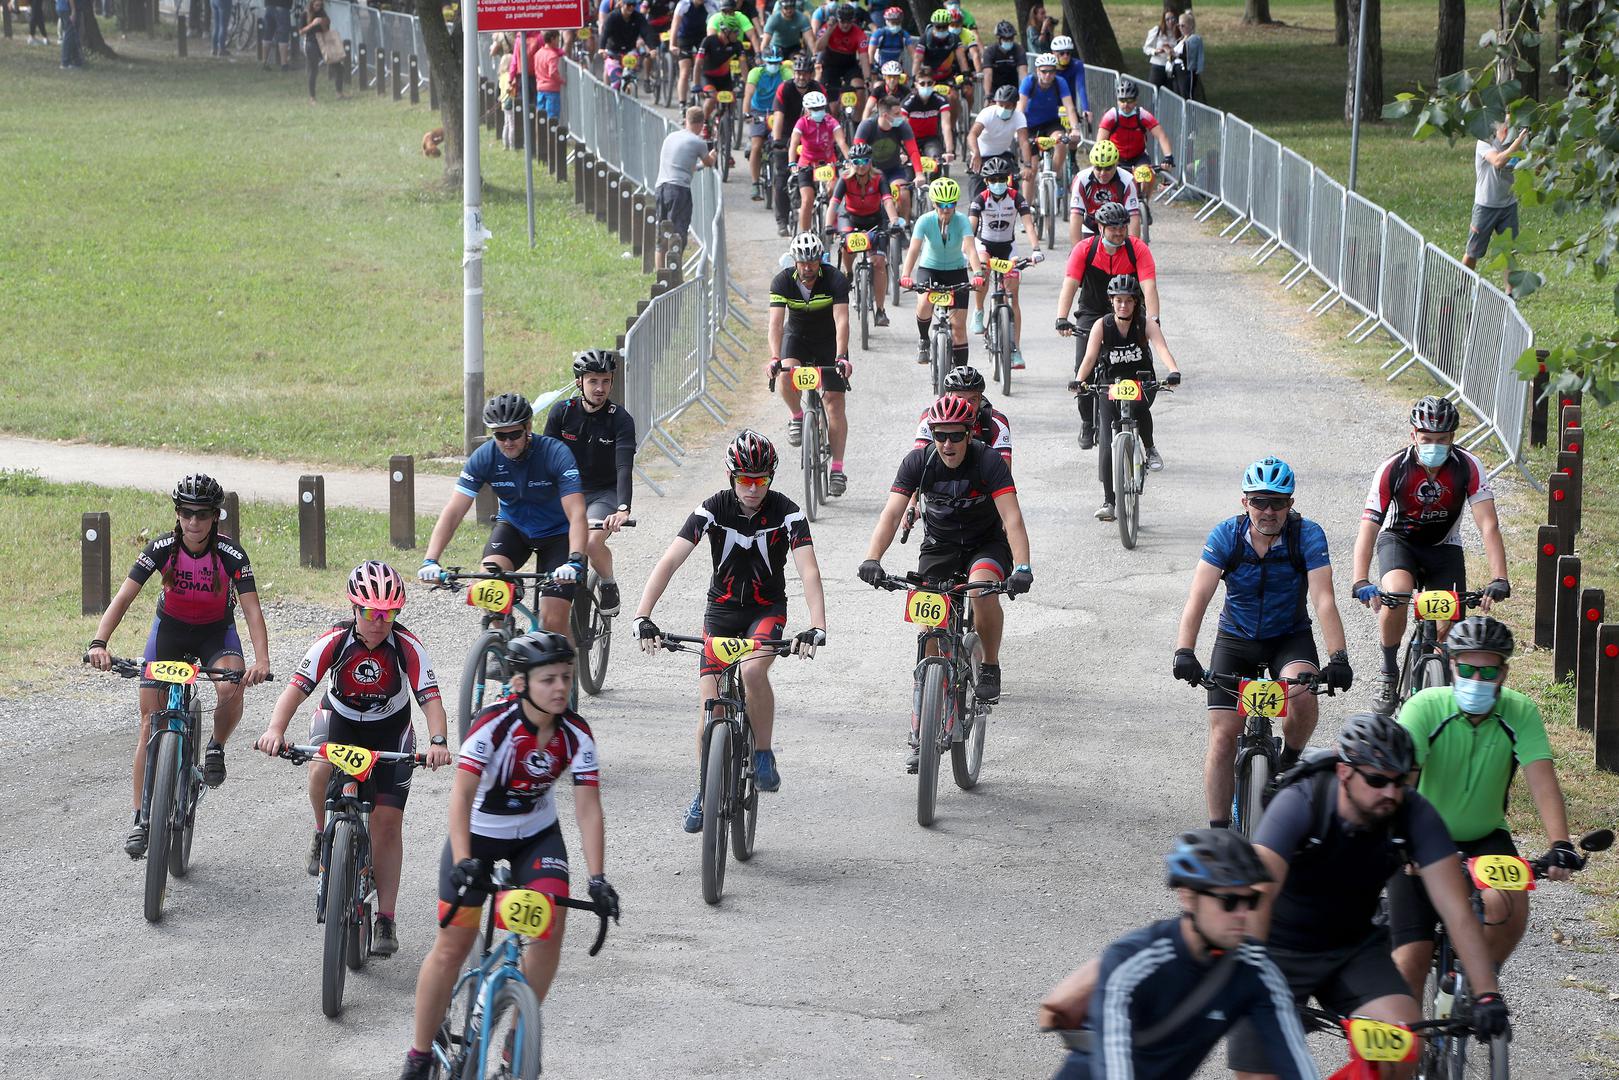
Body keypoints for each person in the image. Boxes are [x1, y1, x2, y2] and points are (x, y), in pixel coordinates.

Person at [1229, 714, 1509, 1080]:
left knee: (1404, 1047)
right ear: (1345, 772)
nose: (1391, 792)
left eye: (1400, 780)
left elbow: (1456, 910)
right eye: (1377, 779)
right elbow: (1258, 895)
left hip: (1353, 947)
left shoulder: (1411, 812)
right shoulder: (1301, 802)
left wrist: (1487, 994)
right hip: (1278, 949)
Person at [397, 632, 617, 1080]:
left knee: (550, 925)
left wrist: (598, 878)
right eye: (549, 679)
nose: (561, 688)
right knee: (454, 944)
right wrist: (463, 860)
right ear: (520, 684)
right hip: (477, 836)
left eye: (567, 678)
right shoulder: (493, 725)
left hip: (536, 837)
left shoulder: (575, 732)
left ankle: (517, 1046)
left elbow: (588, 806)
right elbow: (459, 800)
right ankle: (419, 1055)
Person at [254, 562, 454, 958]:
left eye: (389, 614)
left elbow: (431, 699)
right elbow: (297, 688)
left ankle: (387, 918)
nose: (379, 622)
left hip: (390, 730)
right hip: (340, 721)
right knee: (318, 767)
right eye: (370, 612)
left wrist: (438, 741)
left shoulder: (408, 646)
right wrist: (275, 730)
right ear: (353, 608)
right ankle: (320, 831)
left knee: (387, 823)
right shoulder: (334, 639)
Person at [633, 431, 828, 829]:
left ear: (771, 477)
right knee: (710, 713)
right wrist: (643, 615)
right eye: (744, 480)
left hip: (766, 611)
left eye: (761, 480)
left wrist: (816, 625)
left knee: (754, 670)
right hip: (720, 613)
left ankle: (762, 753)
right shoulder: (711, 510)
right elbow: (669, 561)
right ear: (730, 476)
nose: (753, 489)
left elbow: (809, 571)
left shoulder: (787, 514)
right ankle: (705, 790)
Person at [1389, 615, 1581, 999]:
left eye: (1488, 671)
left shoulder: (1520, 711)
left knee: (1508, 908)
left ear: (1503, 673)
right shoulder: (1423, 708)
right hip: (1421, 839)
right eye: (1466, 669)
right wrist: (1400, 839)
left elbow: (1542, 780)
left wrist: (1560, 842)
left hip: (1485, 837)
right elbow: (1402, 785)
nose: (1476, 680)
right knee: (1409, 964)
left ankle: (1472, 981)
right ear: (1451, 667)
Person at [86, 475, 272, 857]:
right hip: (169, 633)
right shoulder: (162, 549)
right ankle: (140, 819)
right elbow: (124, 597)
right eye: (187, 513)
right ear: (178, 514)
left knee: (229, 686)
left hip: (215, 634)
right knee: (147, 723)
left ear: (215, 517)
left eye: (202, 514)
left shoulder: (231, 554)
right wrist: (99, 643)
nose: (194, 522)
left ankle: (216, 747)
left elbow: (252, 612)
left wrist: (262, 661)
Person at [1038, 830, 1315, 1080]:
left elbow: (1294, 1060)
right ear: (1188, 897)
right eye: (1229, 901)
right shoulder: (1132, 963)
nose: (1243, 914)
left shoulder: (1257, 970)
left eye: (1251, 900)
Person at [1172, 457, 1353, 828]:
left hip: (1289, 636)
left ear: (1290, 503)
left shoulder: (1308, 535)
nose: (1268, 511)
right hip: (1235, 639)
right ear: (1245, 503)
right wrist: (1184, 651)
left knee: (1303, 696)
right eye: (1259, 502)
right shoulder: (1226, 535)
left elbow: (1323, 599)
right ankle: (1219, 833)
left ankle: (1289, 762)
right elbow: (1198, 597)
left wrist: (1338, 657)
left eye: (1277, 502)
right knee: (1224, 737)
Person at [859, 393, 1032, 721]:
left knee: (981, 589)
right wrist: (873, 558)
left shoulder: (988, 462)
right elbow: (892, 514)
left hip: (986, 545)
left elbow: (1012, 519)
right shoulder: (919, 463)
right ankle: (922, 727)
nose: (948, 443)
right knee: (929, 630)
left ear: (970, 434)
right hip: (940, 547)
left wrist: (1022, 567)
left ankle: (990, 665)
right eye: (940, 435)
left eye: (956, 435)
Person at [1350, 395, 1510, 714]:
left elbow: (1488, 524)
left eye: (1441, 440)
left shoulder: (1468, 466)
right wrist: (1360, 580)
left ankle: (1436, 669)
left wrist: (1499, 577)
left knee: (1451, 619)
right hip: (1400, 542)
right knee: (1396, 594)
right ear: (1414, 436)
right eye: (1426, 439)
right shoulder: (1393, 468)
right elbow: (1368, 527)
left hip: (1443, 547)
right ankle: (1388, 672)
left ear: (1452, 439)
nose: (1433, 445)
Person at [418, 393, 588, 640]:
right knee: (487, 584)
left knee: (552, 621)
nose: (507, 442)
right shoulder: (485, 457)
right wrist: (430, 560)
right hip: (514, 528)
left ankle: (565, 674)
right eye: (500, 435)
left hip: (558, 534)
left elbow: (577, 513)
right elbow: (454, 511)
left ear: (528, 428)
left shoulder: (555, 453)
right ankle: (498, 642)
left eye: (514, 434)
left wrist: (574, 560)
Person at [1065, 274, 1182, 518]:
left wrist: (1173, 371)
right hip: (1109, 386)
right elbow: (1088, 358)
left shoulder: (1145, 323)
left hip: (1141, 382)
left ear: (1136, 302)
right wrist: (1080, 380)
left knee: (1140, 408)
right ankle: (1110, 502)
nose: (1123, 305)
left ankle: (1149, 448)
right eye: (1118, 300)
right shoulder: (1102, 325)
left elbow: (1162, 348)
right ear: (1111, 301)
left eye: (1129, 301)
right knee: (1107, 444)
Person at [1054, 201, 1161, 448]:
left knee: (1140, 363)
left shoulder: (1137, 249)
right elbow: (1069, 285)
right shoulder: (1084, 249)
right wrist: (1062, 318)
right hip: (1092, 312)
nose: (1119, 232)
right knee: (1084, 367)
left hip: (1129, 310)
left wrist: (1153, 318)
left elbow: (1149, 286)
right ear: (1100, 227)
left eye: (1123, 227)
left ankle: (1137, 413)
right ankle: (1086, 421)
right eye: (1113, 228)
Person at [542, 350, 637, 616]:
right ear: (579, 383)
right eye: (593, 381)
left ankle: (607, 583)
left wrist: (622, 508)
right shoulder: (561, 413)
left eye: (606, 381)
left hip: (603, 493)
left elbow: (623, 466)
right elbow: (543, 460)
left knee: (592, 542)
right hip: (568, 493)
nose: (600, 388)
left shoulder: (620, 419)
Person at [769, 232, 854, 491]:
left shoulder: (835, 279)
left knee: (834, 403)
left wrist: (841, 356)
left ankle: (837, 470)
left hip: (829, 342)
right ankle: (797, 416)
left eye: (813, 262)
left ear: (820, 260)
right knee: (785, 373)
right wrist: (774, 357)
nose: (808, 267)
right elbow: (775, 324)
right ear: (794, 261)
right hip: (797, 338)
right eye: (803, 262)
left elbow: (842, 320)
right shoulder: (782, 282)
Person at [898, 177, 986, 368]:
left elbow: (970, 249)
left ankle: (962, 375)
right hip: (930, 269)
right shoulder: (924, 220)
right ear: (934, 203)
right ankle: (923, 340)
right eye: (941, 204)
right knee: (924, 301)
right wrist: (906, 275)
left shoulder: (962, 220)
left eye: (951, 204)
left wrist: (978, 273)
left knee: (959, 329)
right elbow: (913, 250)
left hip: (956, 271)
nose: (946, 209)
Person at [968, 154, 1041, 369]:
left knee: (1013, 296)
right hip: (985, 246)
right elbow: (970, 228)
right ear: (986, 181)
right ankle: (979, 310)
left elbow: (1028, 225)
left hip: (1008, 249)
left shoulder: (1016, 197)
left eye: (1002, 179)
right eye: (993, 180)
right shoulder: (980, 199)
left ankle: (1015, 349)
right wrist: (968, 251)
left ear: (1008, 179)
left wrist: (1036, 249)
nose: (998, 183)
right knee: (981, 269)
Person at [827, 142, 903, 329]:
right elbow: (834, 204)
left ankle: (880, 310)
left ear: (871, 162)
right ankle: (849, 272)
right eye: (856, 161)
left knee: (878, 262)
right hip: (850, 218)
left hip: (875, 220)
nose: (861, 165)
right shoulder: (844, 178)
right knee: (847, 243)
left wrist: (893, 220)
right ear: (851, 162)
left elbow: (887, 201)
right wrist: (829, 225)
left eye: (865, 161)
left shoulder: (879, 178)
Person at [1463, 117, 1526, 289]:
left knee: (1509, 252)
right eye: (1505, 125)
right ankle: (1461, 286)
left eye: (1511, 125)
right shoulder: (1485, 141)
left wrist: (1542, 155)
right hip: (1485, 206)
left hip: (1508, 205)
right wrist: (1518, 143)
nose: (1508, 129)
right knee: (1473, 253)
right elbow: (1498, 162)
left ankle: (1510, 295)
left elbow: (1533, 169)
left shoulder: (1517, 142)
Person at [772, 63, 829, 236]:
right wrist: (777, 141)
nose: (801, 77)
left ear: (811, 75)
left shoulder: (818, 88)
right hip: (788, 135)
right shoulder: (785, 88)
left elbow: (828, 115)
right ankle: (782, 220)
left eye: (805, 74)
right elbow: (778, 116)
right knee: (782, 178)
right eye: (797, 73)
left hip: (813, 139)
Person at [911, 365, 1011, 463]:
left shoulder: (997, 422)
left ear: (981, 400)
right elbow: (917, 464)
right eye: (959, 398)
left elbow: (1003, 473)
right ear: (947, 396)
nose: (966, 405)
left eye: (972, 400)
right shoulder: (929, 419)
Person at [788, 89, 851, 235]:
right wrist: (792, 163)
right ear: (806, 110)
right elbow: (793, 144)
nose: (818, 111)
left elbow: (841, 142)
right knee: (807, 199)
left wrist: (849, 160)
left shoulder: (831, 121)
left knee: (834, 191)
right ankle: (805, 234)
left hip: (828, 163)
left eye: (821, 108)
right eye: (815, 109)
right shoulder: (801, 123)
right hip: (807, 164)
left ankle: (832, 221)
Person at [654, 106, 718, 247]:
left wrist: (699, 166)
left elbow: (688, 167)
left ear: (686, 121)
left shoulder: (670, 137)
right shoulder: (698, 142)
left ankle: (660, 269)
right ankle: (674, 268)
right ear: (701, 124)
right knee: (678, 233)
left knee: (662, 235)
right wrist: (713, 155)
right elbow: (709, 162)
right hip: (678, 190)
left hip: (661, 187)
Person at [1016, 53, 1075, 201]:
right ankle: (1027, 209)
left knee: (1061, 142)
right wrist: (1019, 132)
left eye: (1052, 71)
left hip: (1051, 123)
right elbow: (1020, 109)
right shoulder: (1029, 82)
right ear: (1037, 71)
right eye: (1044, 71)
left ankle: (1055, 176)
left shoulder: (1059, 82)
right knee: (1032, 168)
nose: (1048, 75)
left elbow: (1070, 107)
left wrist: (1075, 128)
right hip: (1030, 126)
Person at [852, 95, 923, 218]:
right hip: (872, 171)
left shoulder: (903, 126)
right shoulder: (866, 126)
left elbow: (913, 151)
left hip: (893, 170)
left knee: (903, 193)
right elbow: (856, 153)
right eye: (896, 114)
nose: (900, 117)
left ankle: (904, 228)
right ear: (885, 115)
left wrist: (919, 174)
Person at [968, 83, 1032, 203]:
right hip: (980, 155)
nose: (1003, 109)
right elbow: (972, 134)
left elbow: (1024, 142)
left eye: (1007, 106)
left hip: (1002, 154)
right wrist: (976, 152)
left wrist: (1027, 166)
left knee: (1013, 184)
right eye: (1000, 104)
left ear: (1014, 106)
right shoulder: (987, 113)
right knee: (976, 192)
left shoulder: (1019, 117)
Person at [1069, 139, 1142, 243]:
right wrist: (1076, 252)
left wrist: (1133, 251)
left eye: (1108, 168)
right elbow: (1076, 216)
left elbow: (1133, 217)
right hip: (1091, 225)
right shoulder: (1081, 180)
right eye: (1098, 168)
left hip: (1118, 227)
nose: (1103, 173)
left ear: (1116, 164)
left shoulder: (1127, 180)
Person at [746, 48, 795, 201]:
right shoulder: (756, 73)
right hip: (759, 111)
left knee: (782, 142)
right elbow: (748, 94)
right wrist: (746, 113)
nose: (773, 65)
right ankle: (755, 183)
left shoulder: (785, 73)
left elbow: (792, 90)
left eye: (776, 63)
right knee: (756, 146)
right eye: (770, 62)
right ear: (764, 62)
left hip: (777, 111)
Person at [1098, 78, 1173, 174]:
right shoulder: (1111, 116)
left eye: (1129, 100)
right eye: (1122, 100)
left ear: (1136, 100)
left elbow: (1161, 135)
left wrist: (1168, 156)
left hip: (1139, 157)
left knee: (1145, 176)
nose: (1125, 104)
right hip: (1116, 157)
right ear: (1117, 101)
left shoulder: (1142, 115)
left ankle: (1143, 189)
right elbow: (1100, 142)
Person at [815, 3, 870, 118]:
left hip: (849, 65)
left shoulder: (859, 33)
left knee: (859, 88)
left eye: (849, 22)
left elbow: (864, 57)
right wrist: (829, 31)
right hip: (831, 66)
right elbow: (818, 48)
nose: (845, 25)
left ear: (853, 21)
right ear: (837, 20)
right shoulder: (828, 27)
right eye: (842, 21)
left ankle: (857, 124)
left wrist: (868, 78)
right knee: (833, 108)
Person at [899, 69, 954, 165]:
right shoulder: (909, 101)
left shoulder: (940, 99)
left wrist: (949, 151)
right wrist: (901, 151)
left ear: (934, 84)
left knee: (936, 162)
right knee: (910, 173)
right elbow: (900, 127)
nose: (926, 86)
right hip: (911, 139)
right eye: (922, 83)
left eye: (929, 83)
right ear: (916, 85)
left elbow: (946, 126)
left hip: (931, 139)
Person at [599, 0, 649, 89]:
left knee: (632, 64)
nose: (631, 7)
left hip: (629, 41)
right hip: (612, 41)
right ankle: (607, 90)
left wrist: (640, 39)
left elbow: (641, 25)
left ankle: (630, 80)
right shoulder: (607, 4)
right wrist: (602, 47)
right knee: (610, 69)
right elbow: (603, 28)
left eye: (633, 5)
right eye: (628, 5)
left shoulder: (634, 7)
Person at [673, 0, 713, 103]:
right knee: (685, 71)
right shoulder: (684, 4)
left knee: (704, 64)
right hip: (684, 37)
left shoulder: (709, 4)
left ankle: (699, 87)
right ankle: (682, 103)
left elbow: (716, 21)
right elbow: (675, 24)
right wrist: (672, 44)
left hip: (700, 36)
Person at [1047, 35, 1090, 131]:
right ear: (1053, 53)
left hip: (1069, 105)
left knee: (1073, 137)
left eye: (1068, 53)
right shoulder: (1048, 67)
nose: (1065, 56)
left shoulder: (1076, 65)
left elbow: (1081, 87)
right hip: (1050, 105)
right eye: (1061, 53)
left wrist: (1086, 109)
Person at [982, 19, 1025, 98]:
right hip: (995, 89)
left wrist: (1025, 93)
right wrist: (987, 95)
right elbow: (988, 74)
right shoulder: (990, 51)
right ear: (999, 39)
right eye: (1005, 39)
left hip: (1013, 89)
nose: (1008, 41)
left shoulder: (1018, 49)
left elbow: (1023, 73)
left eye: (1011, 39)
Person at [299, 0, 331, 103]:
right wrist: (312, 24)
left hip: (322, 41)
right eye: (317, 5)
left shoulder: (322, 13)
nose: (319, 7)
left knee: (337, 64)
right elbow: (301, 31)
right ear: (312, 4)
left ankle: (339, 92)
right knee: (313, 70)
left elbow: (326, 30)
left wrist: (323, 23)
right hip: (311, 42)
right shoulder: (305, 14)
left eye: (321, 5)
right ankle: (312, 97)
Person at [867, 6, 912, 78]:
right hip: (880, 68)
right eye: (893, 22)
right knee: (876, 84)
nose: (895, 25)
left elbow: (913, 54)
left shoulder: (904, 35)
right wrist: (871, 67)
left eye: (898, 22)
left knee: (904, 83)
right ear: (886, 21)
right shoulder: (879, 34)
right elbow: (870, 52)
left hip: (897, 69)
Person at [532, 29, 566, 120]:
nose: (558, 42)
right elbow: (552, 73)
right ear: (552, 39)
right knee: (552, 117)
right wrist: (562, 81)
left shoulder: (538, 54)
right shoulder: (552, 55)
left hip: (540, 88)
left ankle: (541, 133)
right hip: (552, 90)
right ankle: (551, 133)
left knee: (541, 116)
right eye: (557, 39)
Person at [1172, 10, 1205, 102]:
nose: (1180, 28)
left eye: (1183, 25)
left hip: (1186, 71)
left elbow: (1189, 56)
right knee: (1177, 94)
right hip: (1176, 70)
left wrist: (1176, 54)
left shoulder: (1194, 39)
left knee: (1186, 95)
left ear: (1190, 26)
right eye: (1179, 26)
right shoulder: (1180, 40)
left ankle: (1189, 114)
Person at [1143, 9, 1179, 89]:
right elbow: (1146, 48)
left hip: (1171, 68)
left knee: (1170, 93)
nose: (1170, 21)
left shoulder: (1178, 32)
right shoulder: (1157, 30)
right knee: (1154, 91)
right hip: (1158, 65)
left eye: (1173, 18)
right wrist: (1155, 51)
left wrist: (1172, 52)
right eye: (1167, 19)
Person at [262, 0, 292, 69]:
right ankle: (284, 64)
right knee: (283, 35)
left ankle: (264, 62)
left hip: (268, 6)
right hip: (282, 5)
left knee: (267, 34)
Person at [56, 0, 82, 68]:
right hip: (68, 8)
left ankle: (76, 60)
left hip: (61, 7)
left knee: (73, 34)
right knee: (69, 35)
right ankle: (65, 61)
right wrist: (73, 10)